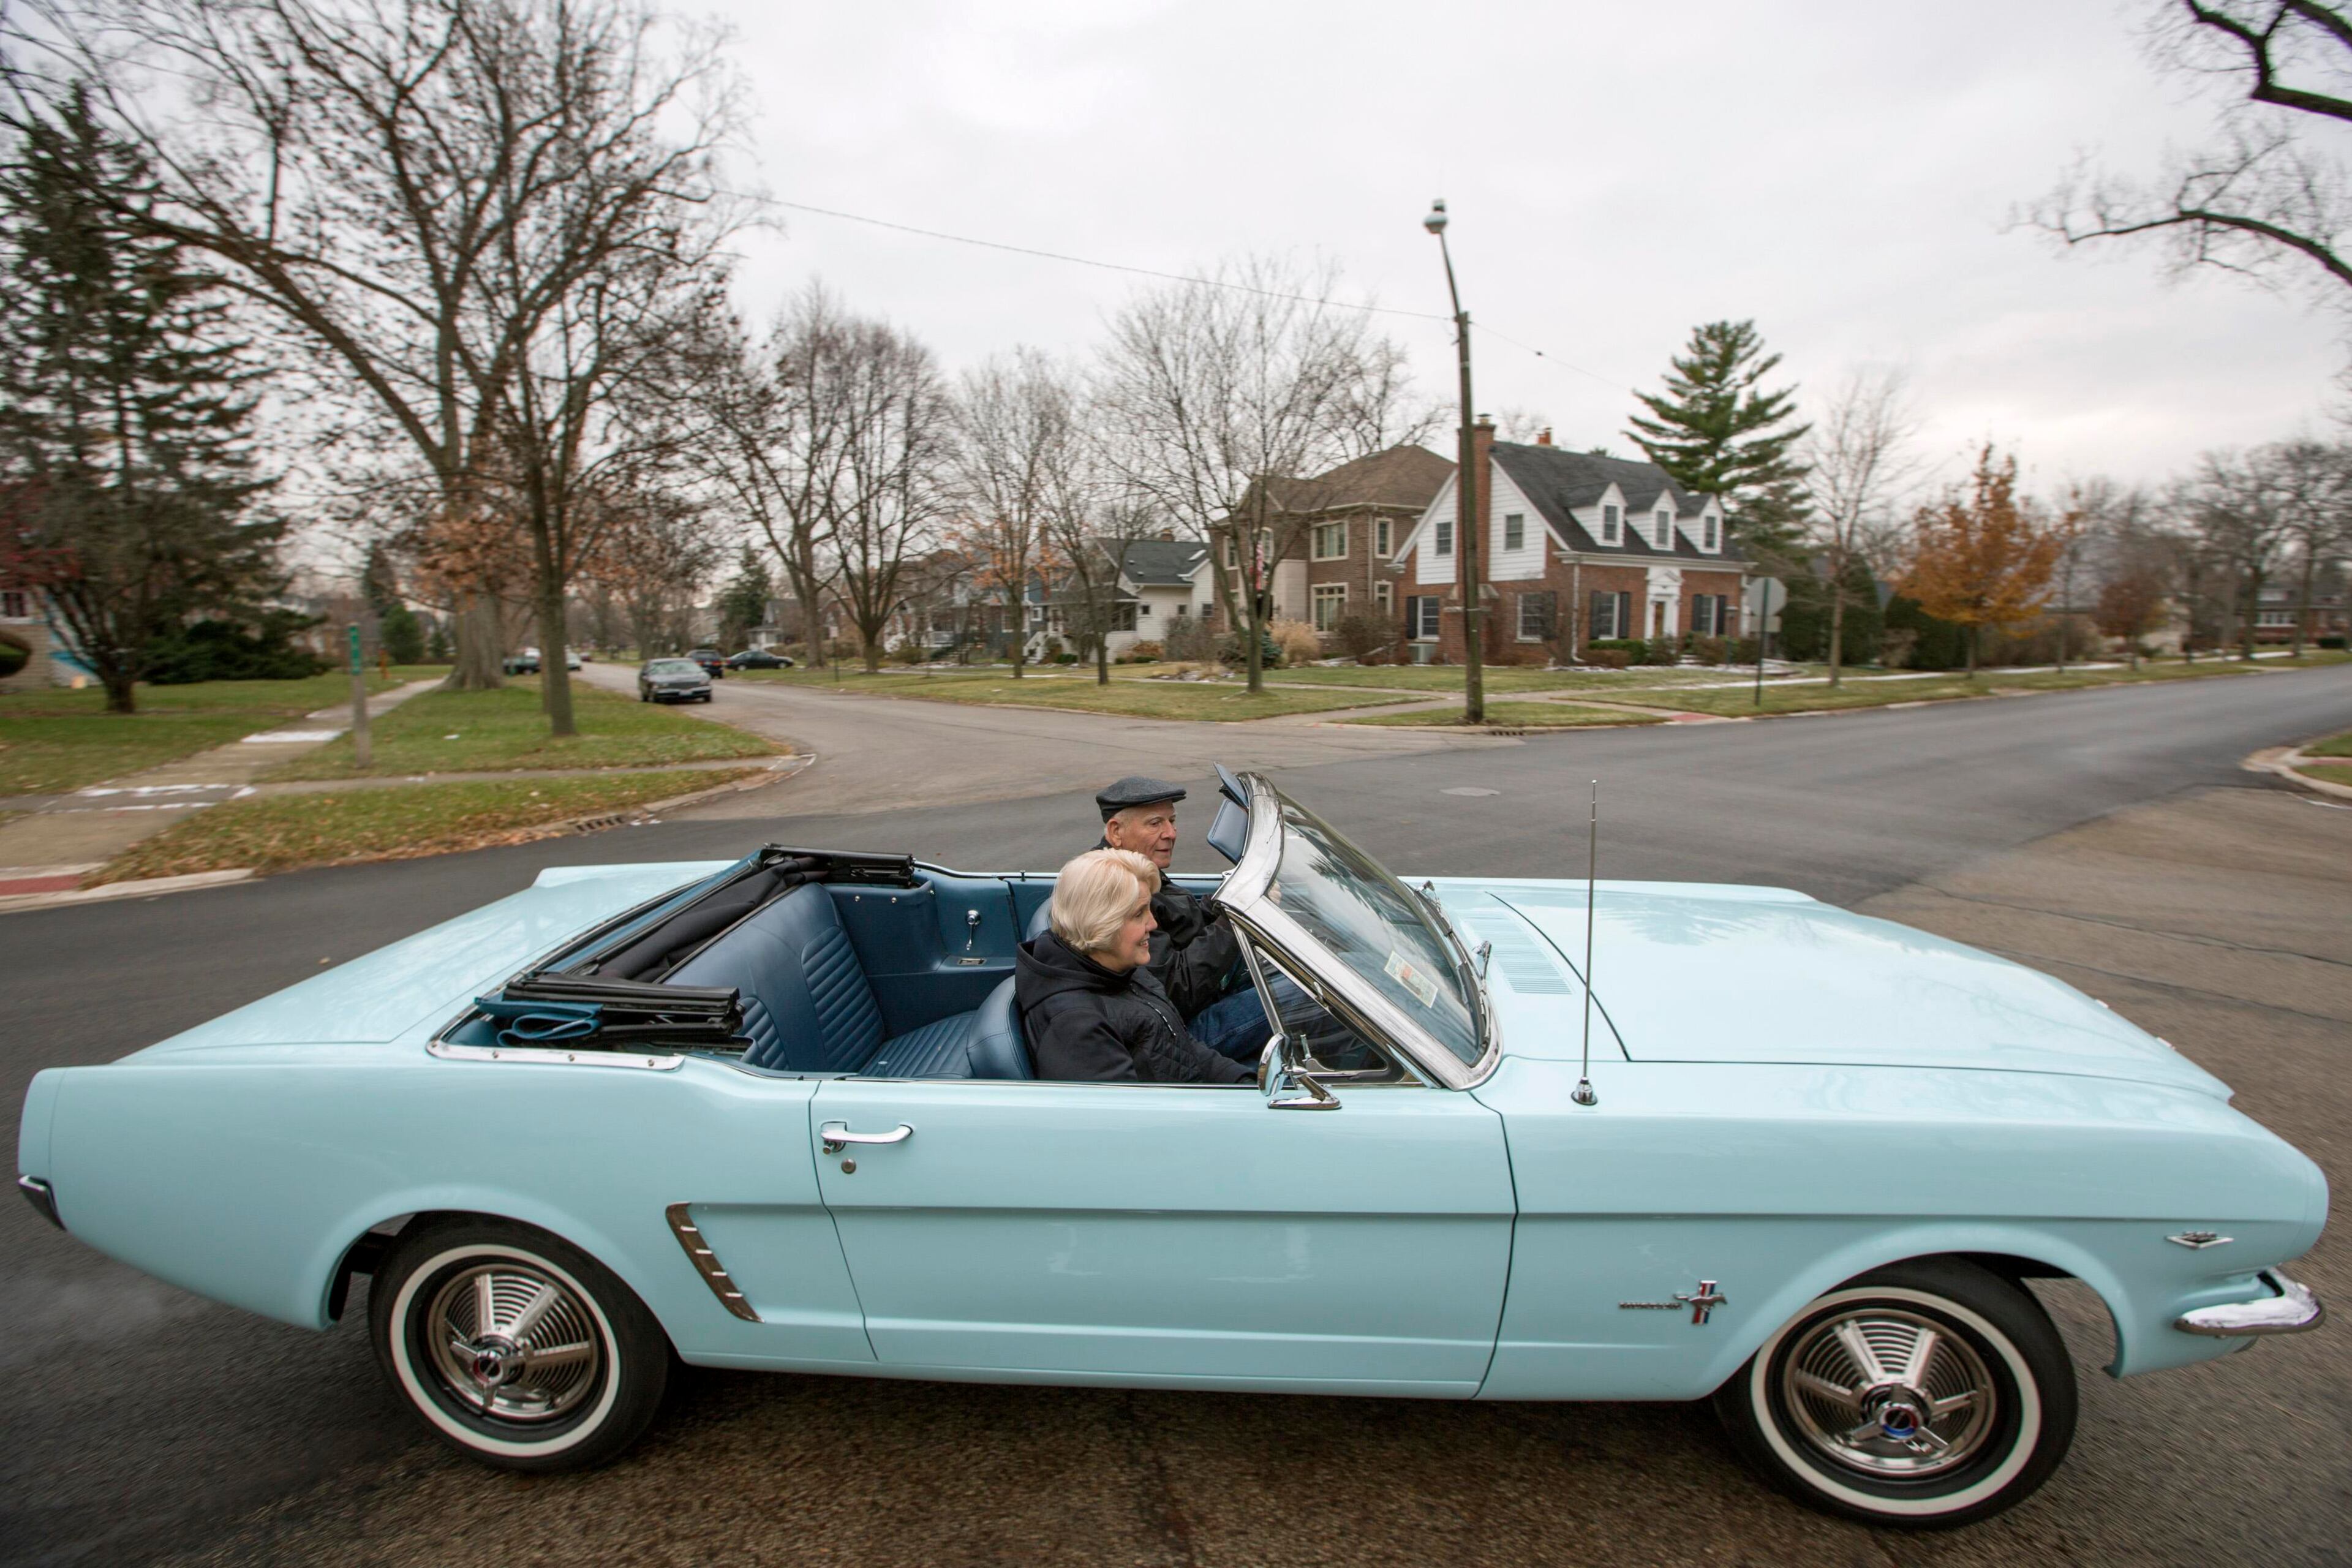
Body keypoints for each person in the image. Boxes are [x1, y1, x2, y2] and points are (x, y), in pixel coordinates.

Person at [1016, 849, 1253, 1085]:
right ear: (1101, 923)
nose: (1153, 923)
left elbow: (1183, 1049)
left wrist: (1246, 1083)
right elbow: (1122, 1117)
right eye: (1139, 914)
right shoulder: (1078, 1026)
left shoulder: (1121, 968)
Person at [1091, 775, 1270, 1060]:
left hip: (1206, 997)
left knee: (1310, 973)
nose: (1171, 833)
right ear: (1116, 832)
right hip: (1181, 1034)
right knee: (1315, 994)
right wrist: (1235, 919)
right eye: (1155, 823)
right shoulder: (1114, 887)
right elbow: (1177, 988)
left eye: (1172, 821)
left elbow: (1185, 919)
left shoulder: (1137, 865)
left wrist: (1228, 900)